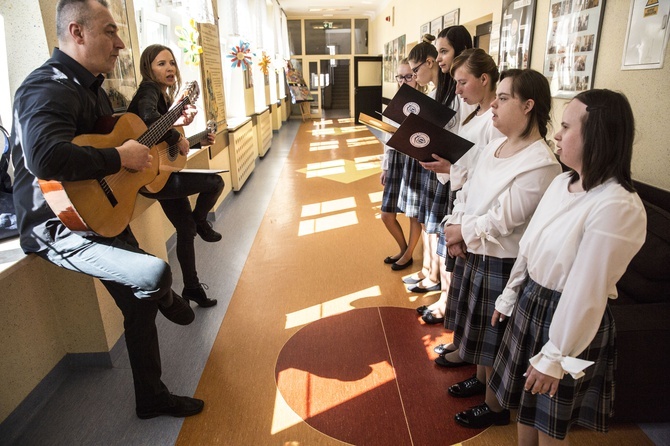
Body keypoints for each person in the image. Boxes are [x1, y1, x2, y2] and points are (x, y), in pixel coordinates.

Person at [10, 0, 203, 419]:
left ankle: (151, 399)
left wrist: (170, 127)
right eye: (110, 32)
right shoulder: (46, 87)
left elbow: (125, 136)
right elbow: (44, 157)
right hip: (58, 227)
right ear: (77, 33)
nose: (119, 44)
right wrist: (118, 159)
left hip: (99, 212)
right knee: (153, 273)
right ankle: (170, 296)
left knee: (138, 304)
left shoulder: (92, 90)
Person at [489, 89, 646, 443]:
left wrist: (557, 354)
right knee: (525, 409)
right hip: (534, 300)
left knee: (549, 425)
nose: (556, 135)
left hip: (567, 319)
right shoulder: (563, 182)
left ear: (598, 136)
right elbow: (530, 247)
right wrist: (511, 294)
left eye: (565, 126)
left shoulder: (617, 205)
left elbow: (586, 288)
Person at [443, 69, 562, 428]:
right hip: (474, 247)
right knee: (476, 327)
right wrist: (456, 225)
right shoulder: (496, 144)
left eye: (504, 98)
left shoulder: (541, 164)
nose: (493, 103)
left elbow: (503, 219)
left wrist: (462, 232)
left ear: (529, 106)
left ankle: (494, 407)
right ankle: (480, 382)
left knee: (495, 336)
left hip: (501, 259)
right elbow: (467, 189)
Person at [421, 48, 504, 363]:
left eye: (462, 83)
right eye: (454, 83)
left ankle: (469, 353)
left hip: (478, 207)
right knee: (464, 284)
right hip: (463, 200)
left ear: (484, 79)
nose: (456, 91)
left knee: (473, 288)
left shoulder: (493, 120)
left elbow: (488, 170)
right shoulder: (474, 113)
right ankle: (461, 343)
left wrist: (450, 169)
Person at [128, 44, 224, 308]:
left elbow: (166, 148)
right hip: (154, 177)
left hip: (161, 173)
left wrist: (196, 141)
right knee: (215, 182)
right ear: (148, 68)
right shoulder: (149, 90)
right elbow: (149, 121)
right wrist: (173, 133)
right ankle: (202, 221)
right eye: (161, 64)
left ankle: (192, 287)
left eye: (171, 63)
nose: (169, 68)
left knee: (184, 229)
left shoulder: (165, 99)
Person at [380, 58, 422, 271]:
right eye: (400, 77)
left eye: (409, 76)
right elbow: (387, 138)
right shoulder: (394, 102)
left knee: (413, 213)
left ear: (417, 77)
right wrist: (385, 166)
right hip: (396, 158)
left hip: (414, 160)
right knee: (387, 214)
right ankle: (403, 248)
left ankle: (408, 254)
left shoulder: (425, 103)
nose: (404, 81)